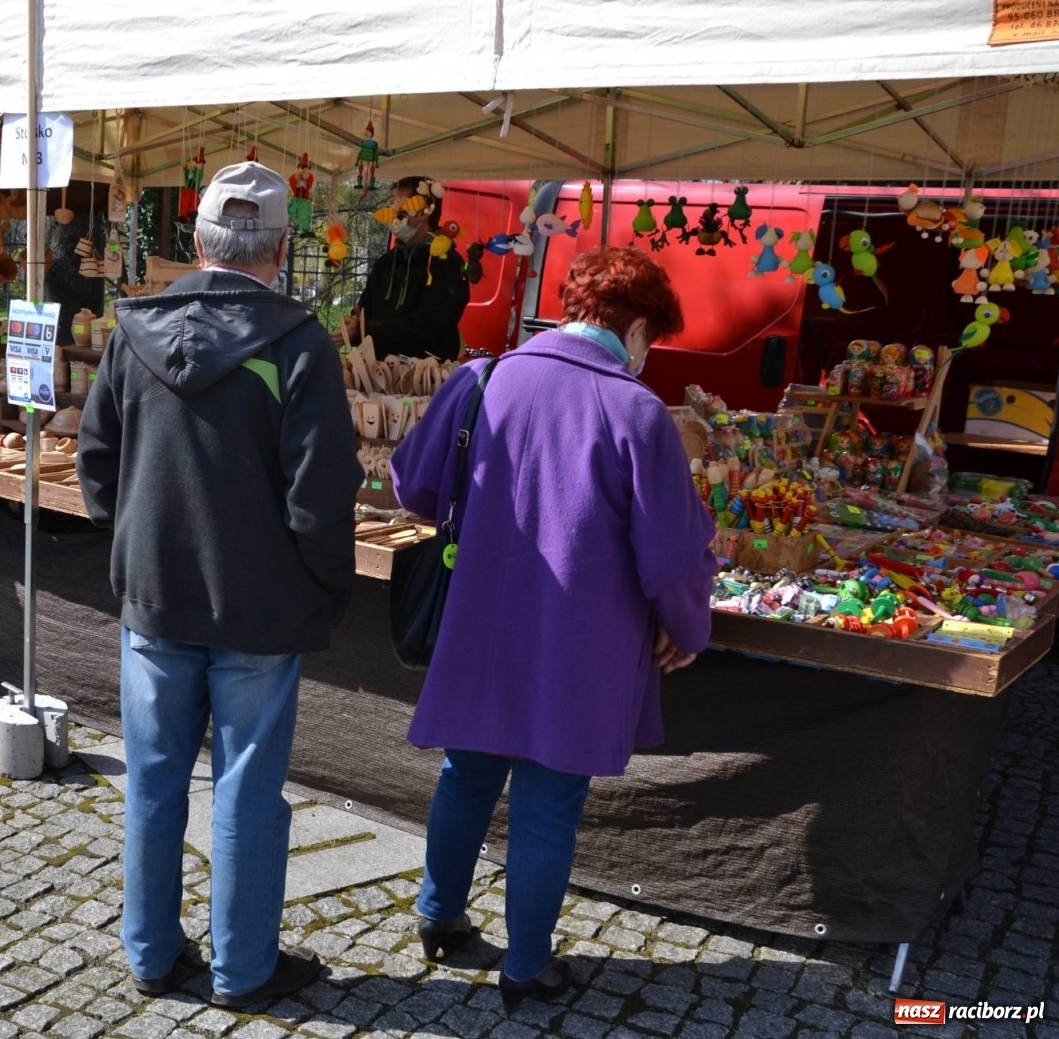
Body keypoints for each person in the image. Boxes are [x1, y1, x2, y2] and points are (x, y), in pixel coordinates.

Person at [388, 246, 716, 1011]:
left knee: (467, 772)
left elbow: (412, 486)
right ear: (636, 328)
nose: (647, 352)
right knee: (548, 801)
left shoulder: (482, 378)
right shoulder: (638, 411)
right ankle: (527, 968)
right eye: (652, 338)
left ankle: (439, 915)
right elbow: (671, 555)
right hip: (580, 645)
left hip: (481, 621)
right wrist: (687, 626)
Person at [76, 161, 361, 1007]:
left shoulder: (135, 331)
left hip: (157, 599)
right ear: (278, 250)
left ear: (198, 242)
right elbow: (321, 496)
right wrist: (327, 588)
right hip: (256, 608)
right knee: (244, 791)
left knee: (155, 781)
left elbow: (96, 465)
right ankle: (242, 968)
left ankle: (153, 954)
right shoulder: (298, 343)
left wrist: (135, 542)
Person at [340, 175, 470, 360]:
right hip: (379, 370)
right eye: (391, 208)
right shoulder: (386, 262)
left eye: (400, 209)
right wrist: (354, 325)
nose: (393, 216)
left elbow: (428, 326)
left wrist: (367, 328)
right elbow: (364, 311)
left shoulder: (447, 263)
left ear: (423, 213)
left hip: (427, 373)